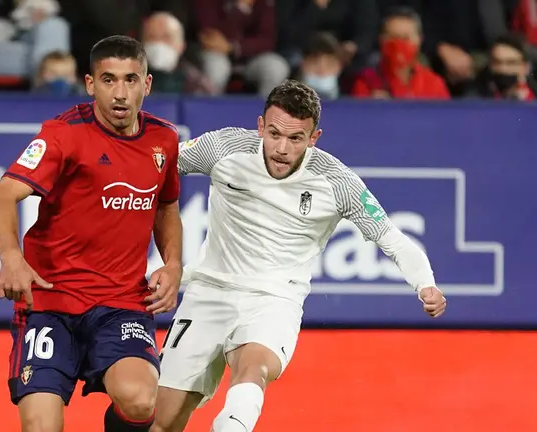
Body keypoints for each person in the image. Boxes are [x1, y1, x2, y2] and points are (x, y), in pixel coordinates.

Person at [151, 80, 448, 432]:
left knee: (252, 370)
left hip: (274, 301)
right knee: (163, 420)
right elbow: (154, 167)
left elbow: (392, 238)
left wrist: (425, 284)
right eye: (274, 133)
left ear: (314, 138)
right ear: (260, 126)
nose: (281, 148)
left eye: (295, 138)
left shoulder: (337, 182)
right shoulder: (223, 147)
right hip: (208, 293)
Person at [0, 35, 183, 432]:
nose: (120, 93)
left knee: (141, 401)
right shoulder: (63, 134)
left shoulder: (164, 139)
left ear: (147, 84)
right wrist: (11, 256)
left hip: (121, 303)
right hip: (49, 302)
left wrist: (173, 263)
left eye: (130, 79)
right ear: (90, 84)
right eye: (108, 80)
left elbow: (166, 206)